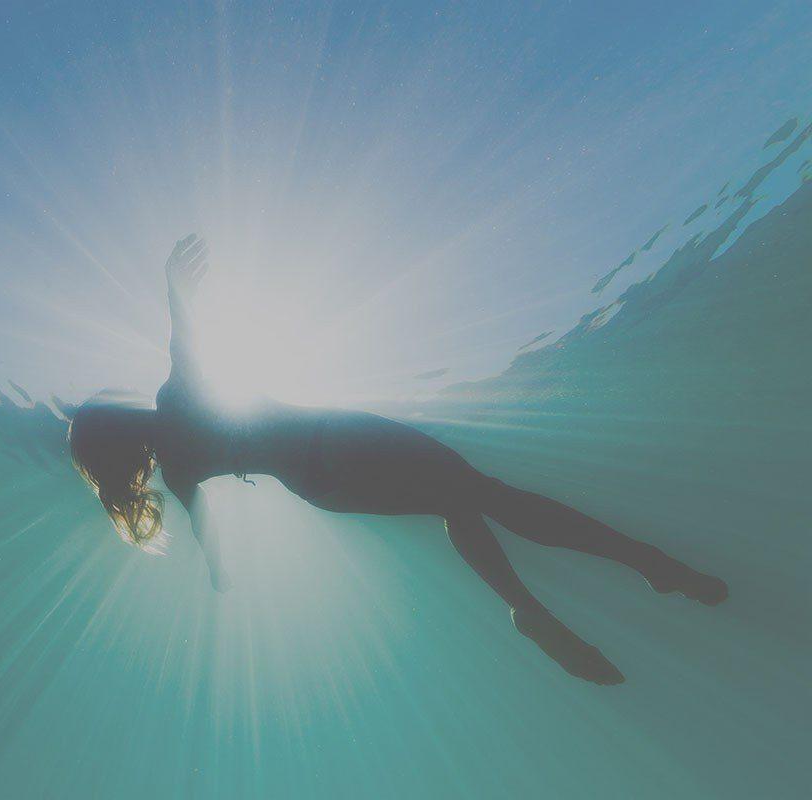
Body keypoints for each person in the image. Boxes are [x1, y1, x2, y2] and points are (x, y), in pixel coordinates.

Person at [68, 235, 728, 684]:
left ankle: (533, 607)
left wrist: (217, 569)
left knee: (459, 500)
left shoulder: (177, 465)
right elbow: (186, 346)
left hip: (318, 483)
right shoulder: (171, 399)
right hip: (337, 440)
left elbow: (202, 516)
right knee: (479, 492)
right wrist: (174, 288)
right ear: (122, 420)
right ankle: (639, 564)